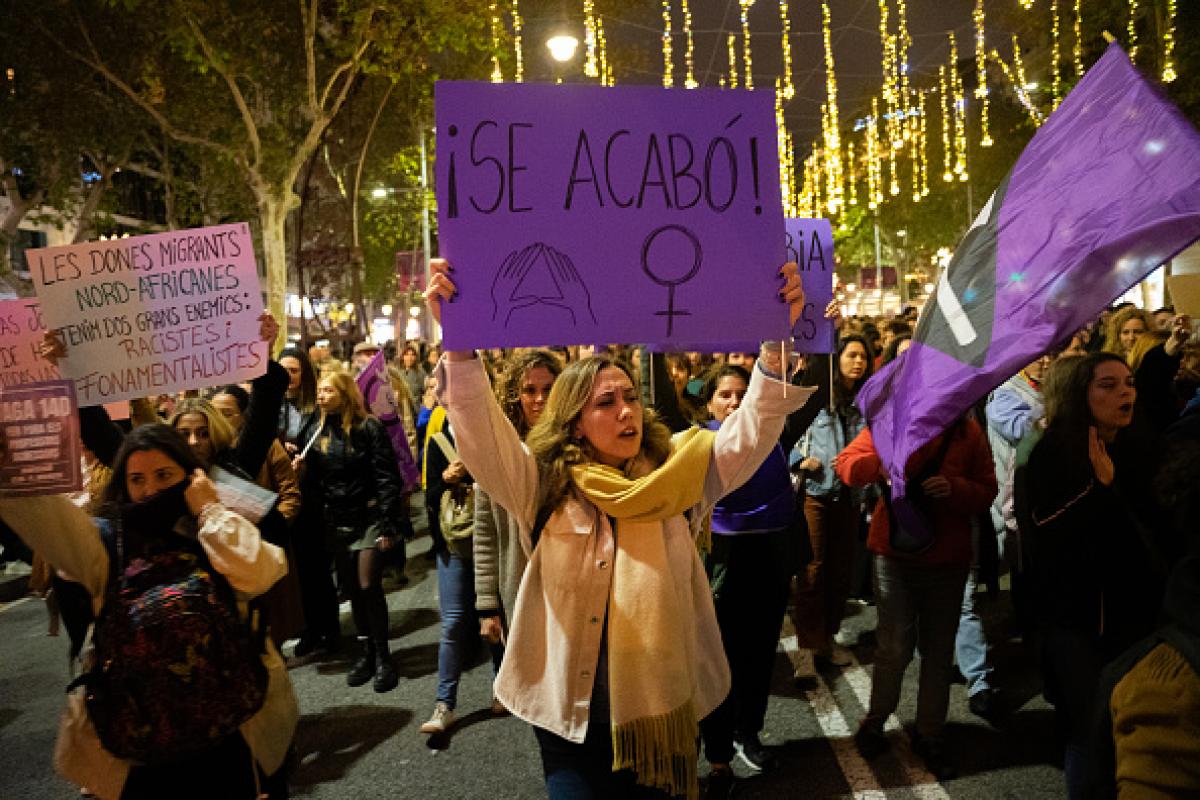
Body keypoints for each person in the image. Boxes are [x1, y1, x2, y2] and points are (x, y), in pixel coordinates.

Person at [424, 257, 812, 799]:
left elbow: (752, 431)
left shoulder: (678, 475)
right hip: (570, 720)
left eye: (630, 397)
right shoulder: (542, 483)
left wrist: (776, 342)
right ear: (574, 424)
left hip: (662, 713)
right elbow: (480, 431)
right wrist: (459, 339)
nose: (626, 410)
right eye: (606, 403)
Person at [0, 424, 294, 799]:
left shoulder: (210, 528)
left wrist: (209, 510)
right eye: (137, 479)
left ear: (190, 476)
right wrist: (9, 467)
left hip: (233, 729)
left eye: (163, 475)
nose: (151, 490)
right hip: (141, 742)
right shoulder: (106, 542)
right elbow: (49, 522)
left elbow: (259, 571)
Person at [1019, 353, 1167, 799]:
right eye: (1108, 385)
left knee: (1133, 725)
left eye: (1129, 383)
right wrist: (1097, 490)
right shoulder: (1052, 453)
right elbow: (1044, 535)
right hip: (1078, 621)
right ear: (1080, 395)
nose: (1125, 393)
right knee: (1089, 728)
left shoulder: (1141, 445)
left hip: (1137, 615)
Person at [837, 415, 997, 780]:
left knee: (938, 651)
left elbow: (987, 488)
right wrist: (879, 464)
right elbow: (847, 466)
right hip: (894, 554)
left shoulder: (966, 430)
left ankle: (930, 733)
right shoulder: (889, 422)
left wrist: (954, 487)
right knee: (893, 646)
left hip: (949, 558)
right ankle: (875, 721)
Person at [694, 364, 807, 795]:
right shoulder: (699, 443)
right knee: (717, 660)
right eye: (724, 394)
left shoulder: (773, 435)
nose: (734, 401)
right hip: (721, 561)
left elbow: (811, 390)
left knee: (759, 656)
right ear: (708, 403)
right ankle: (718, 752)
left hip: (768, 558)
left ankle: (749, 733)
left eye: (742, 393)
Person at [293, 371, 408, 693]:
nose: (321, 396)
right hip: (336, 519)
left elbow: (386, 476)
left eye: (328, 391)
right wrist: (302, 472)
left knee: (368, 584)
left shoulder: (368, 427)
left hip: (368, 516)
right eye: (319, 391)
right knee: (352, 589)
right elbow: (317, 483)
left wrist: (388, 522)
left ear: (344, 394)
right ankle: (366, 651)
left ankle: (384, 655)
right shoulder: (315, 431)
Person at [473, 350, 563, 668]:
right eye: (529, 390)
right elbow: (485, 533)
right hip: (519, 586)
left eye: (548, 389)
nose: (539, 399)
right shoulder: (497, 454)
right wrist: (487, 604)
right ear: (515, 395)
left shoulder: (578, 447)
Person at [791, 335, 874, 671]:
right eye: (851, 355)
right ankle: (807, 648)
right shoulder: (819, 397)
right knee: (812, 570)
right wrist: (799, 460)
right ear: (836, 359)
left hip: (851, 494)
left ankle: (828, 638)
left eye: (863, 357)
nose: (858, 362)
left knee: (841, 572)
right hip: (816, 491)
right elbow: (788, 430)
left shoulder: (867, 400)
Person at [396, 345, 429, 410]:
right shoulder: (398, 372)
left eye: (412, 355)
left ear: (415, 357)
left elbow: (427, 390)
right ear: (403, 357)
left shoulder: (420, 372)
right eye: (407, 355)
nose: (409, 358)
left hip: (415, 409)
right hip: (401, 408)